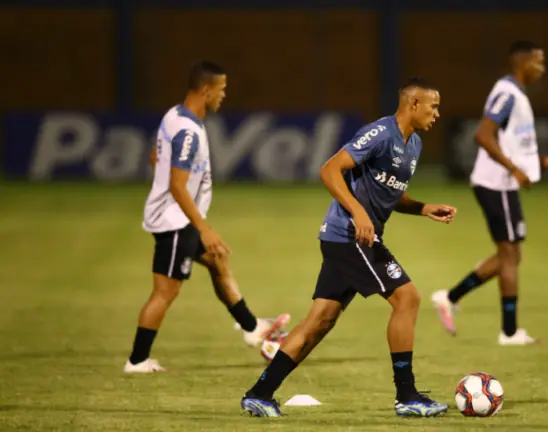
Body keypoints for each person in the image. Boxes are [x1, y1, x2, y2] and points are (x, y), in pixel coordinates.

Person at [240, 77, 456, 418]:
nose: (438, 113)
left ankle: (260, 393)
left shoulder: (413, 144)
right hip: (350, 236)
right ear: (413, 104)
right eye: (434, 106)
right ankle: (407, 395)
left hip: (354, 238)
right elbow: (329, 170)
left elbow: (390, 193)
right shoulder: (381, 133)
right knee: (407, 297)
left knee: (320, 321)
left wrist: (423, 207)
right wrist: (358, 213)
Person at [124, 61, 290, 373]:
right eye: (221, 89)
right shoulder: (187, 131)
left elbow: (154, 157)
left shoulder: (175, 116)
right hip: (176, 222)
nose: (223, 95)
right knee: (165, 292)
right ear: (206, 90)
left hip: (179, 216)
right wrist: (203, 228)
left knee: (218, 260)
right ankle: (137, 360)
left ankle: (252, 328)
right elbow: (176, 184)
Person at [431, 40, 548, 345]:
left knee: (510, 255)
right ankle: (509, 332)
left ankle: (450, 297)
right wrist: (513, 169)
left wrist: (535, 161)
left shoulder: (516, 94)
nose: (542, 67)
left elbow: (510, 140)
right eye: (538, 61)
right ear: (522, 62)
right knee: (510, 255)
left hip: (500, 181)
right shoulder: (507, 93)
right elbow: (483, 135)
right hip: (496, 182)